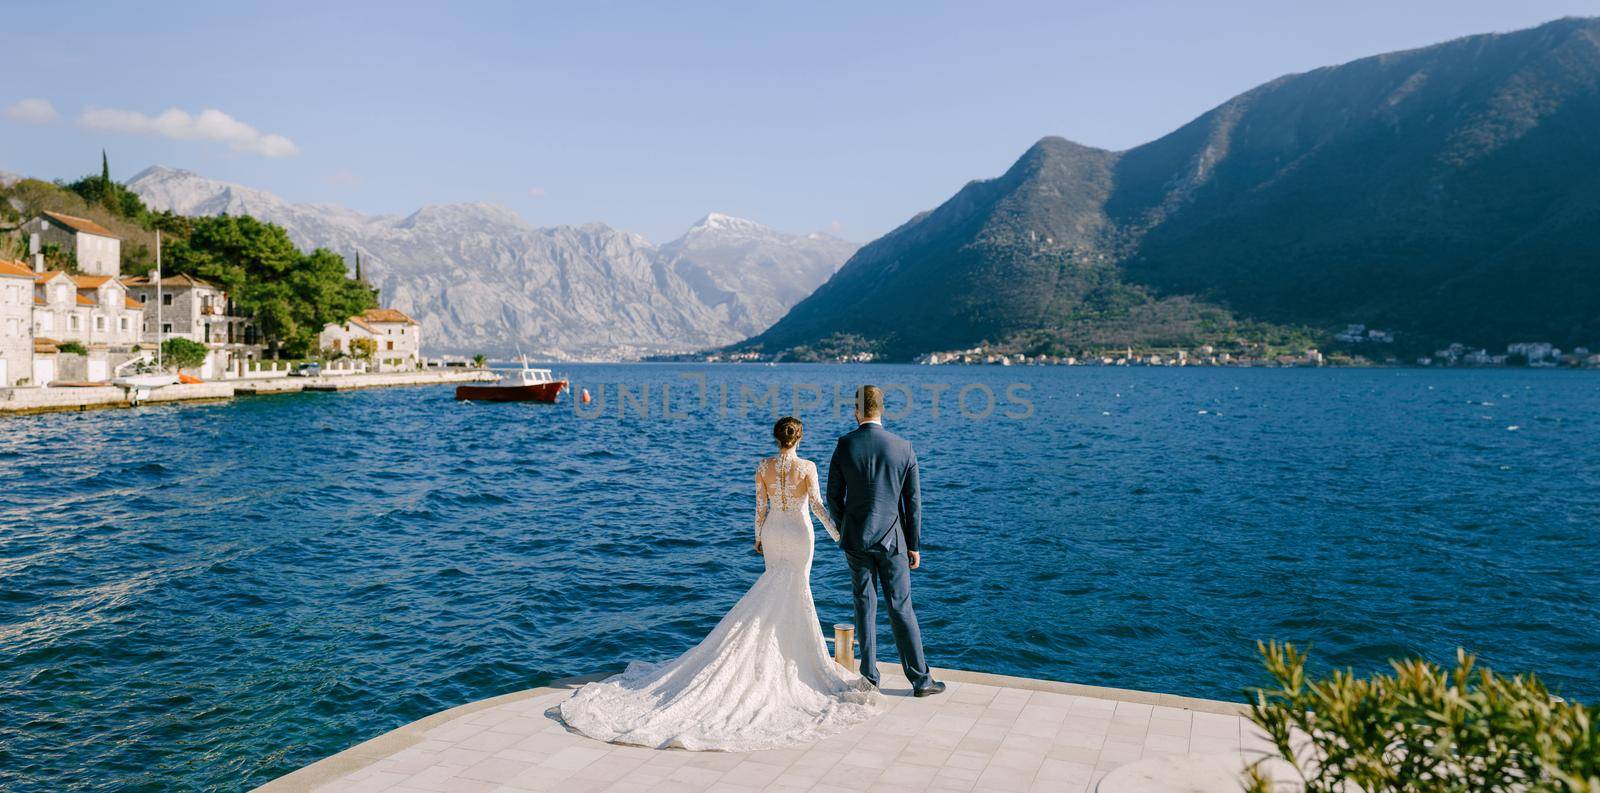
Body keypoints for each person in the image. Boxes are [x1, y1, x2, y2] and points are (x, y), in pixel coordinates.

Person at [558, 416, 882, 751]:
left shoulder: (763, 466)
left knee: (775, 589)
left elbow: (760, 508)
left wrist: (758, 538)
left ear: (776, 439)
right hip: (799, 534)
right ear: (799, 438)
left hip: (774, 532)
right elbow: (816, 506)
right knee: (796, 594)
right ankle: (791, 654)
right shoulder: (808, 467)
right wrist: (840, 536)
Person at [827, 385, 944, 696]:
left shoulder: (844, 445)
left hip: (856, 539)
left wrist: (845, 528)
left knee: (864, 606)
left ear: (856, 411)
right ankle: (921, 680)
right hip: (893, 539)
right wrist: (914, 545)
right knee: (901, 607)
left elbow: (832, 497)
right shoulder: (903, 447)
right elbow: (913, 503)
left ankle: (869, 678)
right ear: (881, 410)